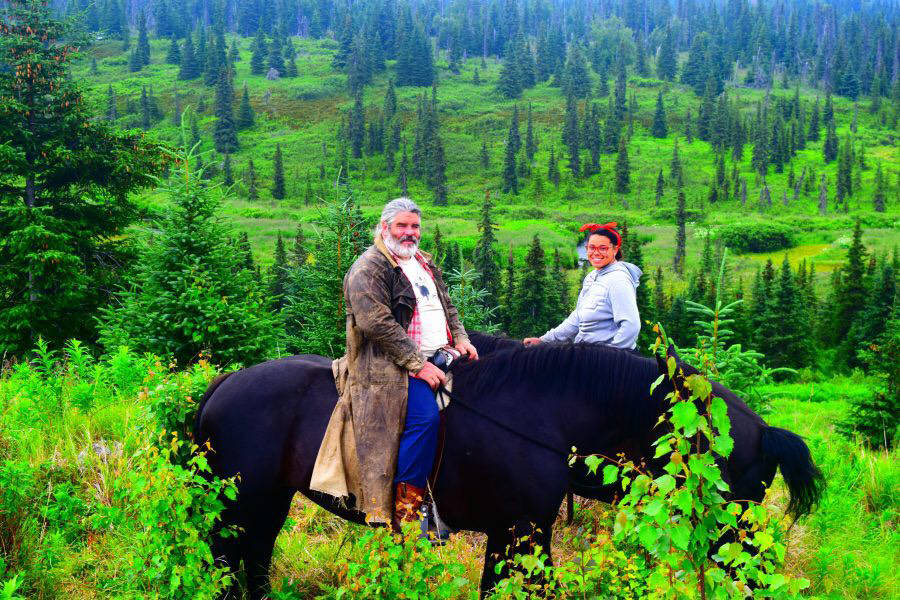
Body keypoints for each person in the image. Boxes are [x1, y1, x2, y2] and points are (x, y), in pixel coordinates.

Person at [314, 197, 478, 530]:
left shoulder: (423, 262)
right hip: (389, 366)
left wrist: (461, 339)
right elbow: (376, 323)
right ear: (385, 227)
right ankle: (406, 514)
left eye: (414, 226)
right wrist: (418, 364)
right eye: (402, 226)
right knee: (425, 419)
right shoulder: (369, 267)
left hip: (439, 353)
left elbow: (448, 309)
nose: (409, 233)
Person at [524, 222, 642, 350]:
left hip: (605, 359)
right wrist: (543, 341)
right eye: (591, 247)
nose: (596, 253)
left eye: (603, 248)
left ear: (615, 249)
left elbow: (631, 326)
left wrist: (609, 357)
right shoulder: (591, 277)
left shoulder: (618, 280)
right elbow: (577, 319)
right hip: (586, 352)